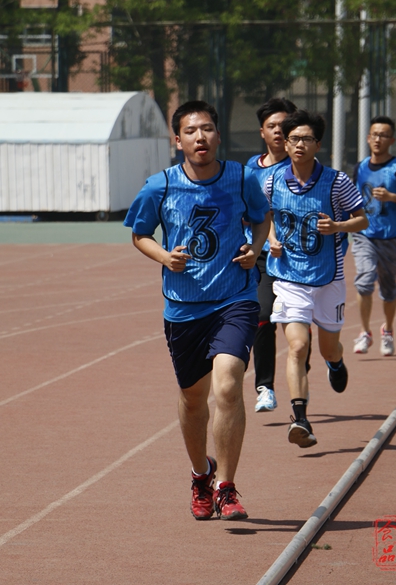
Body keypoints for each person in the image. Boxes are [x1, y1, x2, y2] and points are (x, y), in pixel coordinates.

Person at [124, 101, 271, 521]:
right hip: (184, 308)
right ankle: (201, 474)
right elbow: (140, 234)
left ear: (218, 135)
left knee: (228, 385)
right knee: (193, 401)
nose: (200, 137)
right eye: (190, 131)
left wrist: (255, 248)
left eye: (207, 129)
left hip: (235, 298)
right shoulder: (159, 186)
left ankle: (226, 486)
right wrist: (164, 257)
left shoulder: (242, 178)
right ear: (178, 140)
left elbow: (262, 218)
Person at [265, 110, 368, 448]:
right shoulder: (272, 181)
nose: (299, 145)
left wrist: (338, 226)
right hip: (288, 278)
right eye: (293, 138)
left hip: (328, 280)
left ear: (318, 144)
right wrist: (270, 239)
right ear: (285, 143)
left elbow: (362, 219)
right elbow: (263, 216)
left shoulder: (337, 182)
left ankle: (335, 362)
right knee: (297, 346)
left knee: (327, 348)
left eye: (306, 139)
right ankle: (300, 419)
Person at [352, 116, 396, 356]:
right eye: (374, 134)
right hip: (364, 234)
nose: (378, 139)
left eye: (383, 135)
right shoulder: (360, 167)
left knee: (389, 289)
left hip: (390, 237)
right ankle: (364, 332)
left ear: (391, 140)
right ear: (368, 138)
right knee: (364, 281)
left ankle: (388, 330)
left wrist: (394, 197)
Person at [246, 98, 297, 413]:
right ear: (262, 132)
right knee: (262, 316)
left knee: (296, 325)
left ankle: (305, 366)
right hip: (263, 257)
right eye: (272, 126)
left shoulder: (301, 167)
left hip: (297, 258)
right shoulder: (251, 168)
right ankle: (265, 386)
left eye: (284, 125)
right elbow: (250, 210)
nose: (278, 131)